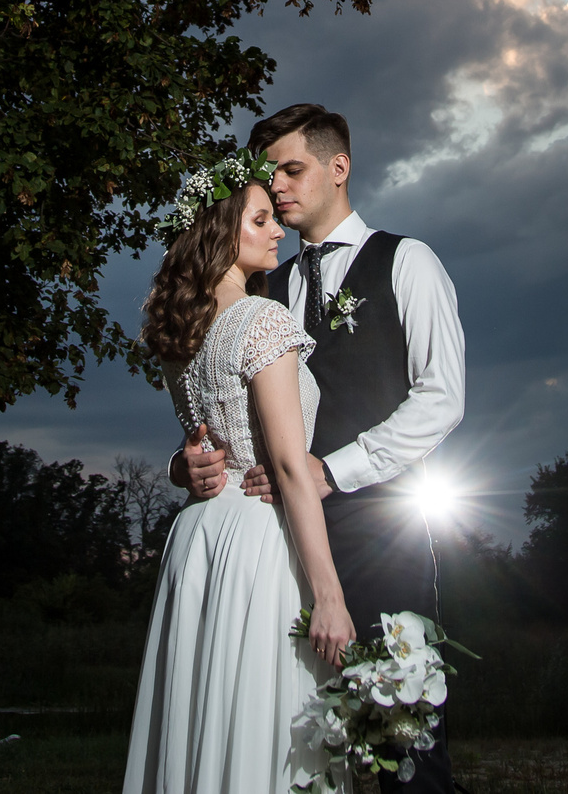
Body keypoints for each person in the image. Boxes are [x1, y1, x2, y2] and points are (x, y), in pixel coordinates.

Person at [173, 103, 465, 792]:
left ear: (340, 167)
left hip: (379, 539)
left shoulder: (407, 260)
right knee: (304, 753)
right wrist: (183, 461)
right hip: (281, 553)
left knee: (405, 746)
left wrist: (333, 468)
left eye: (293, 169)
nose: (277, 188)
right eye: (268, 175)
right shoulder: (268, 281)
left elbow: (442, 396)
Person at [123, 149, 353, 794]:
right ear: (222, 232)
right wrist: (329, 598)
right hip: (256, 538)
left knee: (205, 715)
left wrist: (180, 468)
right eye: (260, 220)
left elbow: (197, 448)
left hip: (198, 537)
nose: (278, 228)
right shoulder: (261, 319)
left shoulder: (183, 335)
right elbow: (285, 462)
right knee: (264, 718)